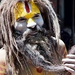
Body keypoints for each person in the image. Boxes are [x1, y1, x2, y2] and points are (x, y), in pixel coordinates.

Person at [0, 0, 75, 75]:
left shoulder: (58, 48)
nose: (32, 24)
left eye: (36, 16)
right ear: (10, 25)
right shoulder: (4, 58)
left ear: (43, 17)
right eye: (22, 19)